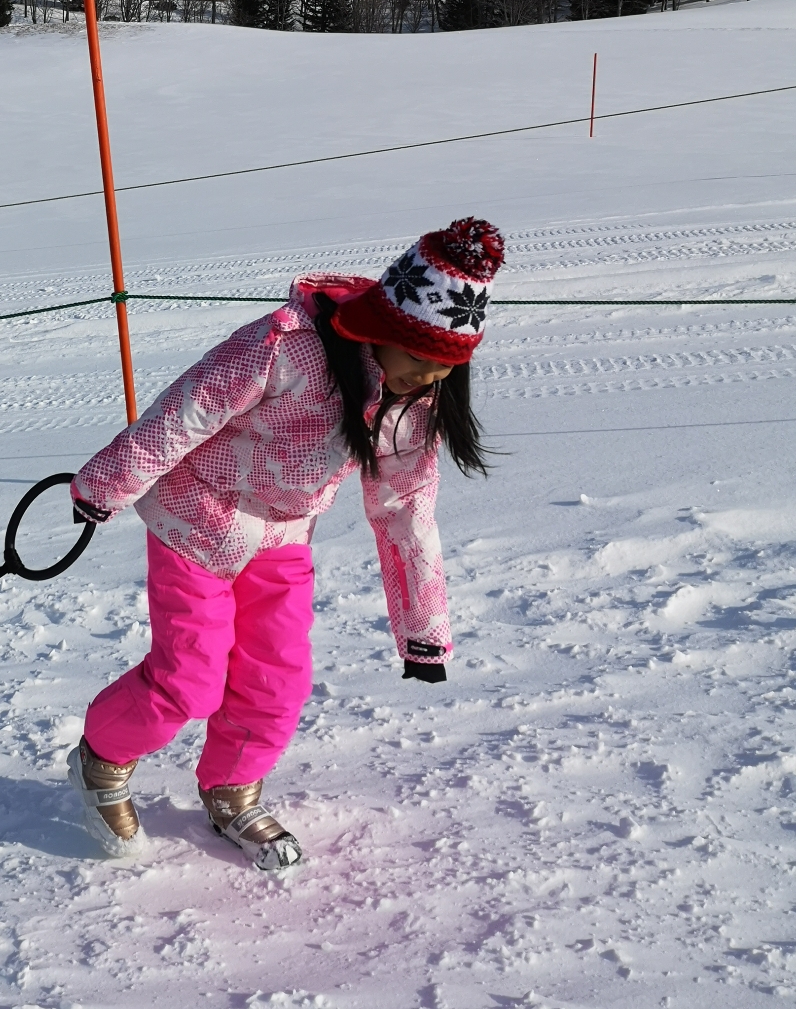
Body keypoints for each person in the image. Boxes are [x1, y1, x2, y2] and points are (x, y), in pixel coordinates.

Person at [65, 217, 503, 870]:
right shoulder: (283, 349)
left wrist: (423, 630)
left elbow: (406, 510)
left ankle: (232, 790)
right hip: (197, 519)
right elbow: (185, 413)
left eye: (445, 370)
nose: (427, 380)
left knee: (279, 679)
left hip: (281, 538)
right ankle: (100, 762)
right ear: (385, 333)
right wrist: (107, 482)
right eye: (419, 361)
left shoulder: (413, 405)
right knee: (190, 678)